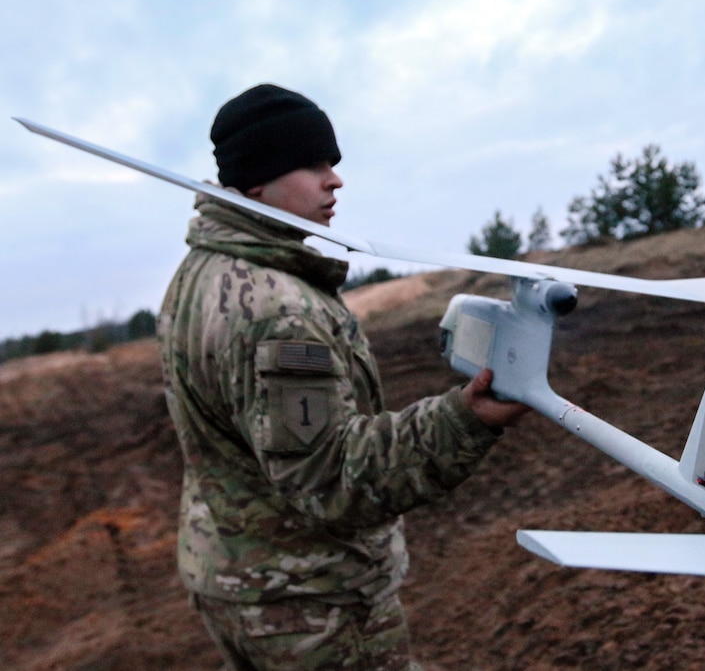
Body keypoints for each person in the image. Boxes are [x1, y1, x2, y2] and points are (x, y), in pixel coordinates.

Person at [157, 83, 530, 670]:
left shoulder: (197, 275)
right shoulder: (281, 310)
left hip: (240, 582)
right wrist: (465, 418)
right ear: (258, 180)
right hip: (310, 602)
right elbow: (330, 479)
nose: (335, 180)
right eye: (312, 164)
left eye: (332, 163)